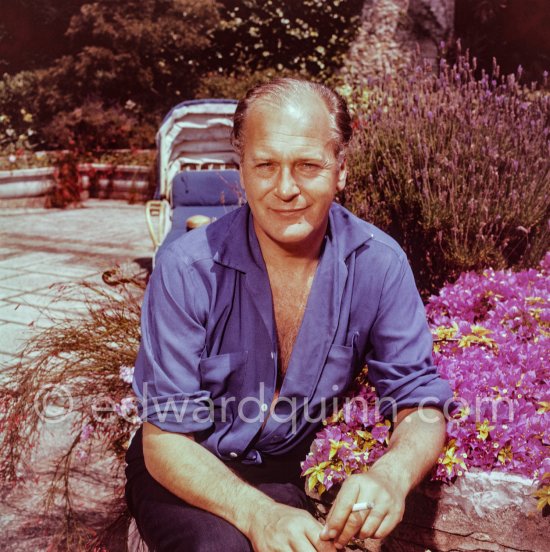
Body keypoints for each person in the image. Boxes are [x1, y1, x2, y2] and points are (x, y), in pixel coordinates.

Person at [125, 78, 454, 551]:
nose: (285, 189)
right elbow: (166, 440)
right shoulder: (186, 268)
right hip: (185, 463)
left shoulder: (379, 263)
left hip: (281, 468)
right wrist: (259, 516)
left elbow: (418, 398)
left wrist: (391, 475)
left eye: (307, 166)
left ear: (340, 170)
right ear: (241, 170)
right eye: (265, 165)